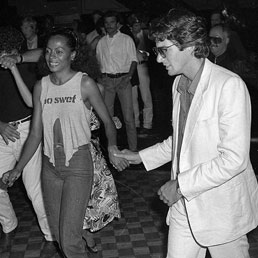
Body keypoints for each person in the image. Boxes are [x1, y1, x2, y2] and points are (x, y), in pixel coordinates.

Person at [115, 8, 258, 258]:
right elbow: (182, 141)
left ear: (190, 46)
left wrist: (180, 185)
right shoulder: (178, 84)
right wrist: (139, 157)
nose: (158, 59)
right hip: (184, 205)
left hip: (220, 207)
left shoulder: (228, 85)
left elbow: (234, 159)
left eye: (164, 50)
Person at [1, 27, 128, 258]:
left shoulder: (85, 84)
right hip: (50, 168)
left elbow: (108, 122)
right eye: (49, 51)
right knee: (60, 236)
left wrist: (112, 148)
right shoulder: (41, 86)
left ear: (73, 55)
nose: (52, 57)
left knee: (69, 241)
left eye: (59, 52)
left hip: (78, 166)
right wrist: (17, 169)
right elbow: (35, 135)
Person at [0, 26, 56, 257]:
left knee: (34, 189)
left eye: (8, 51)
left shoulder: (28, 62)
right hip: (2, 133)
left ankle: (51, 237)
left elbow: (45, 52)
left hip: (27, 130)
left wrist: (17, 59)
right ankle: (9, 225)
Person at [96, 11, 138, 151]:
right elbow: (98, 62)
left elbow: (134, 59)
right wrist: (101, 78)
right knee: (107, 118)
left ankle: (133, 151)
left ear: (117, 23)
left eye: (112, 22)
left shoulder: (126, 39)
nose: (109, 25)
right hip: (107, 81)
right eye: (107, 23)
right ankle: (111, 150)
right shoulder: (101, 42)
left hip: (123, 80)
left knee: (128, 118)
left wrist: (129, 77)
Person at [131, 17, 153, 135]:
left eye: (138, 24)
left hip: (143, 66)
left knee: (146, 96)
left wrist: (144, 54)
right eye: (134, 24)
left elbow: (150, 49)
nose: (137, 26)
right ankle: (135, 123)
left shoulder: (145, 34)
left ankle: (147, 124)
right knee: (133, 97)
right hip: (131, 68)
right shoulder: (128, 36)